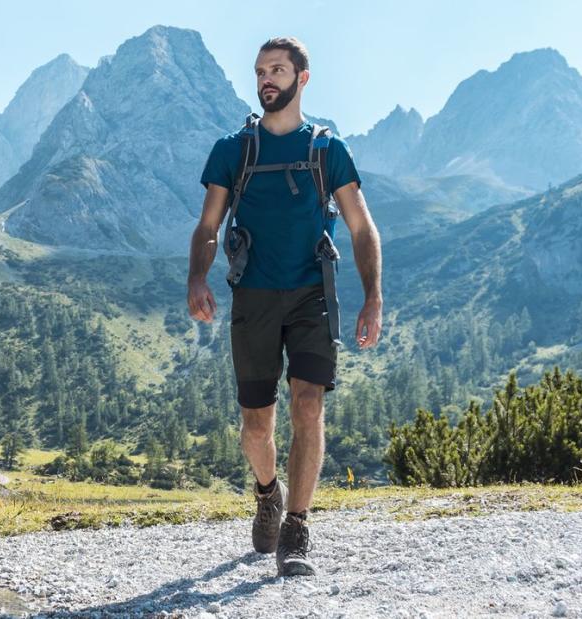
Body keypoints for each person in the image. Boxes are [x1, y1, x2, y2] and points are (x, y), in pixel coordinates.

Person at [186, 36, 383, 577]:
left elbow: (362, 226)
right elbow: (208, 224)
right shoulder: (233, 149)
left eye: (276, 69)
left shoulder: (327, 150)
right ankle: (267, 491)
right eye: (259, 71)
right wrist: (197, 278)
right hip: (252, 295)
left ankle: (296, 526)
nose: (265, 79)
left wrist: (373, 297)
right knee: (256, 425)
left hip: (312, 294)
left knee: (308, 405)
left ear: (303, 77)